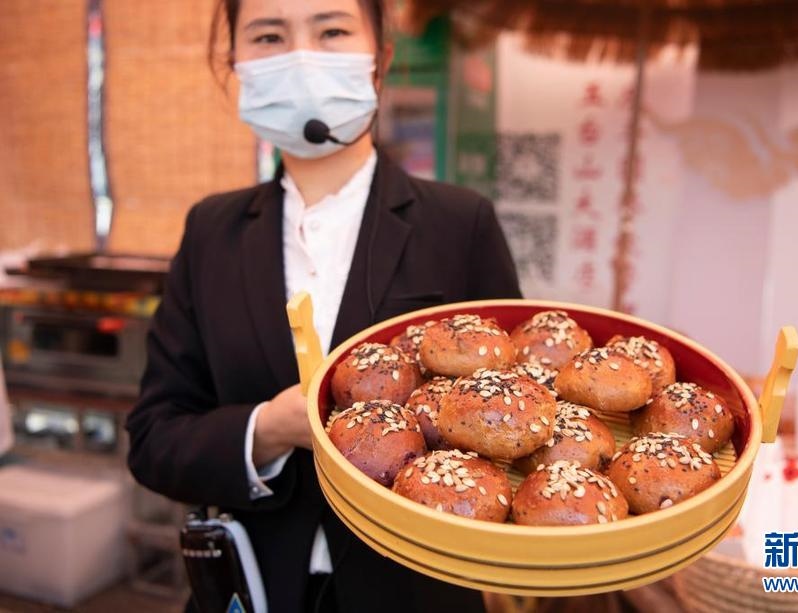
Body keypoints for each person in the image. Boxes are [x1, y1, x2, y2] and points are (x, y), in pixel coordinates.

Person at [125, 0, 521, 611]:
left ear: (380, 58)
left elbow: (513, 419)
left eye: (331, 30)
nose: (301, 58)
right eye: (268, 36)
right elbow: (154, 440)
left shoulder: (458, 224)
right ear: (234, 62)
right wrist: (267, 430)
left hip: (412, 592)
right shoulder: (211, 231)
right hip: (253, 585)